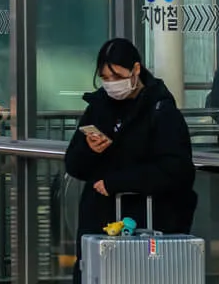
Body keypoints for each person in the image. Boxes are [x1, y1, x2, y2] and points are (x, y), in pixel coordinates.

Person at [63, 38, 196, 284]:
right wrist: (90, 150)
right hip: (99, 226)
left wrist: (118, 182)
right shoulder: (99, 107)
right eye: (105, 77)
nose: (111, 84)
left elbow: (176, 170)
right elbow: (73, 165)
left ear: (136, 70)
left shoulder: (160, 111)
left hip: (144, 226)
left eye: (117, 76)